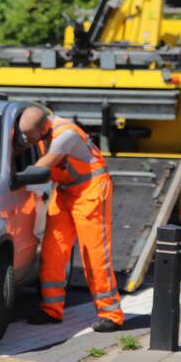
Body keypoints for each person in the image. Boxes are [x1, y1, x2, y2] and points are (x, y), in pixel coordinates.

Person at [18, 105, 124, 333]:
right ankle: (51, 309)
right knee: (52, 251)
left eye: (29, 135)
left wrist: (13, 180)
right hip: (65, 191)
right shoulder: (40, 130)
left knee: (93, 254)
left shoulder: (65, 135)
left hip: (91, 191)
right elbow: (24, 146)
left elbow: (41, 167)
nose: (26, 139)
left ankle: (111, 314)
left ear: (43, 127)